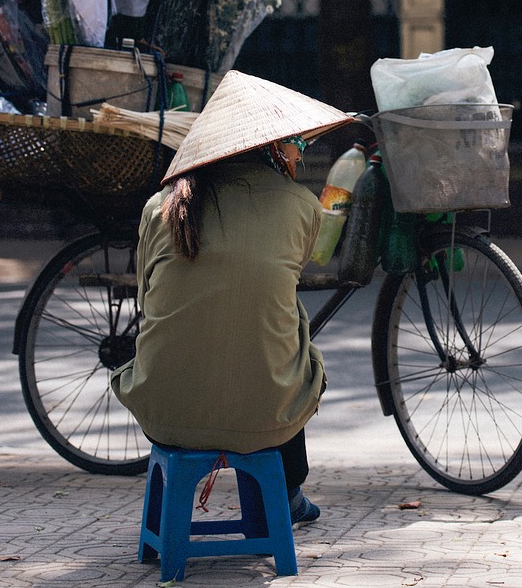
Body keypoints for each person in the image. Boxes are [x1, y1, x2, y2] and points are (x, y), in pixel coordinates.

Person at [111, 70, 352, 525]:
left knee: (256, 329)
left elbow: (147, 300)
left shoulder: (158, 206)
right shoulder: (300, 205)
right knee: (287, 342)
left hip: (165, 408)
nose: (299, 153)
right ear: (269, 148)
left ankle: (258, 499)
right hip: (264, 410)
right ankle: (284, 493)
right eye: (294, 143)